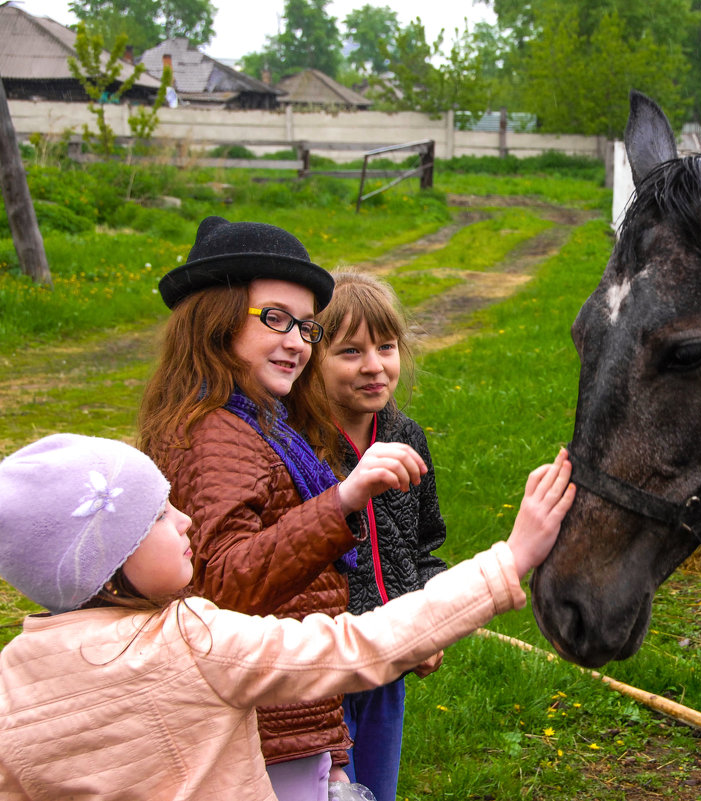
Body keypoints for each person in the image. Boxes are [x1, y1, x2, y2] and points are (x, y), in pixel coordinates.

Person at [0, 432, 574, 801]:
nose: (186, 522)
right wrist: (514, 556)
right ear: (104, 562)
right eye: (156, 515)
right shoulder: (190, 640)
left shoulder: (11, 683)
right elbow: (364, 646)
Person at [137, 216, 429, 800]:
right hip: (258, 722)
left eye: (305, 327)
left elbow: (300, 591)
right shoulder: (213, 436)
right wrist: (343, 499)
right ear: (215, 320)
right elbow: (225, 580)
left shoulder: (258, 425)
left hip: (285, 708)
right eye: (274, 318)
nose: (296, 341)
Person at [315, 272, 445, 798]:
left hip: (387, 668)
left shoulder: (404, 434)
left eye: (386, 347)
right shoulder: (302, 444)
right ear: (309, 361)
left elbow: (423, 547)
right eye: (350, 351)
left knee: (377, 790)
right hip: (318, 672)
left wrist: (427, 623)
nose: (374, 366)